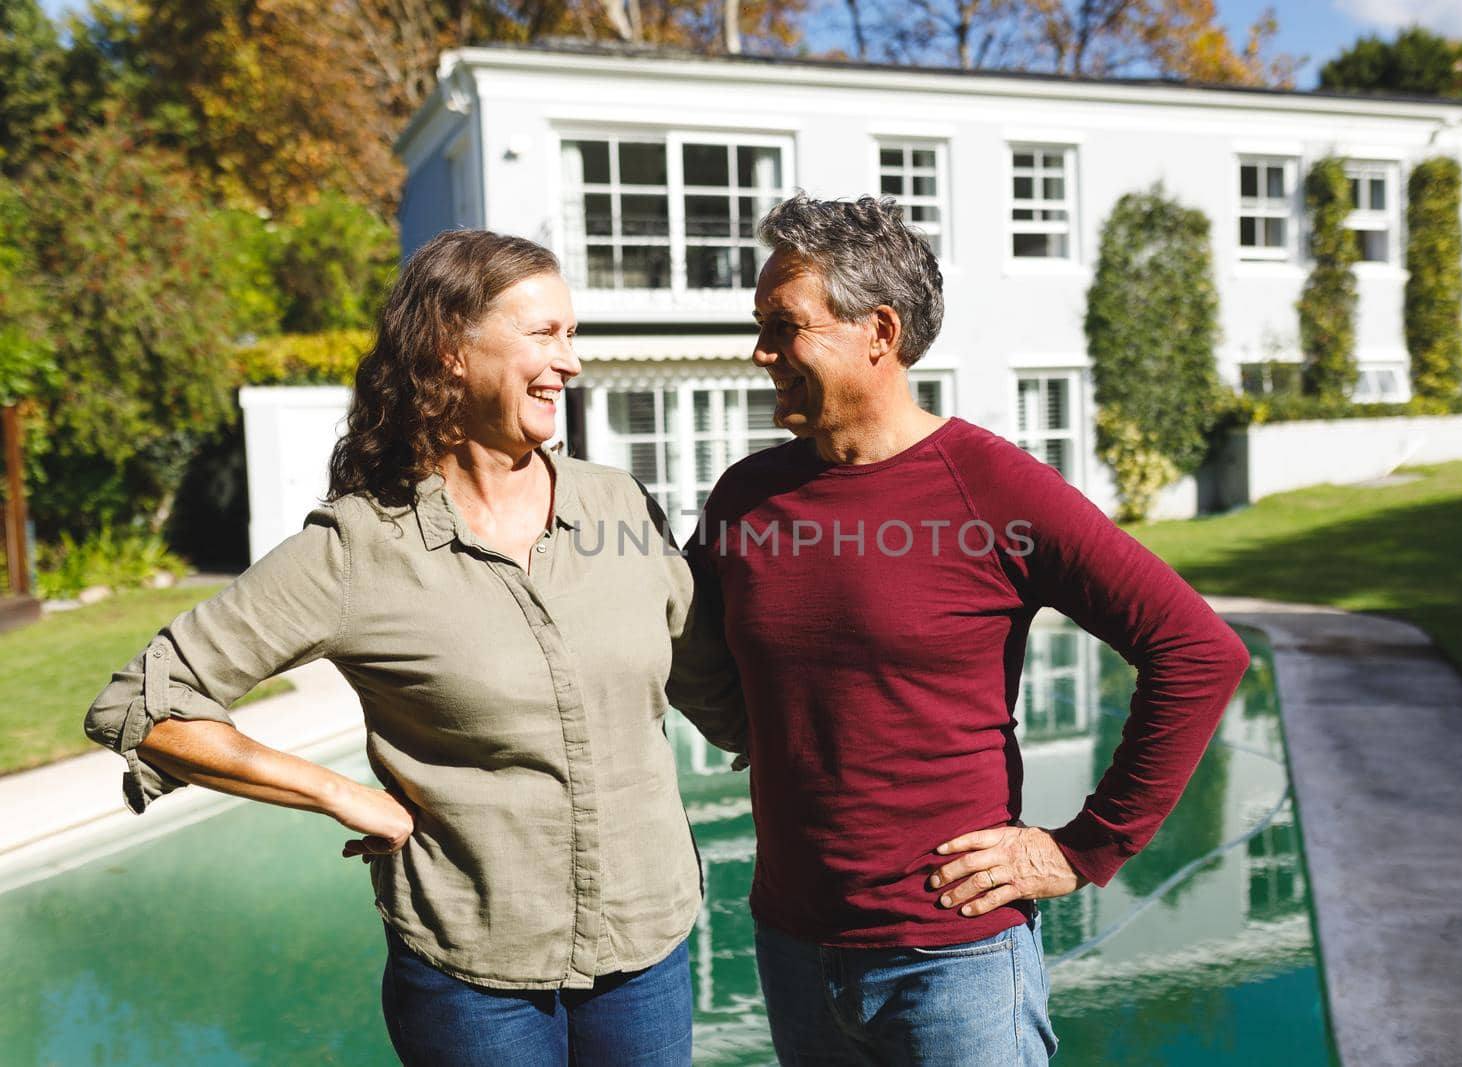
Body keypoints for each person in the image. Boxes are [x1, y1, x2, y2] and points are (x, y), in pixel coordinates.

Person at [83, 229, 743, 1066]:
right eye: (543, 335)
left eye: (571, 335)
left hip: (648, 951)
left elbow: (722, 689)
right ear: (450, 350)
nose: (569, 363)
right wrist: (334, 792)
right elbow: (144, 703)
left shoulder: (617, 505)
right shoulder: (358, 548)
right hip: (473, 977)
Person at [685, 194, 1252, 1065]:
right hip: (792, 945)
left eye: (783, 326)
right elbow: (684, 639)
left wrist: (1085, 847)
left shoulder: (993, 488)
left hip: (954, 959)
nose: (760, 353)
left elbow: (1198, 652)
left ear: (878, 331)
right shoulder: (745, 498)